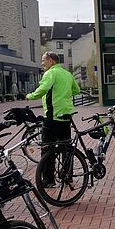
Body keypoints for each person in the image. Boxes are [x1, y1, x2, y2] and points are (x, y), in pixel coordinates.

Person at [26, 51, 80, 187]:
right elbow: (76, 90)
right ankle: (67, 175)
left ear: (51, 60)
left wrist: (30, 96)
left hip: (53, 116)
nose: (42, 63)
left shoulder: (51, 73)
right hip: (66, 116)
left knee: (47, 148)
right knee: (66, 147)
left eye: (43, 60)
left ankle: (49, 180)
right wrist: (63, 94)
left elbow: (43, 89)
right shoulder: (67, 74)